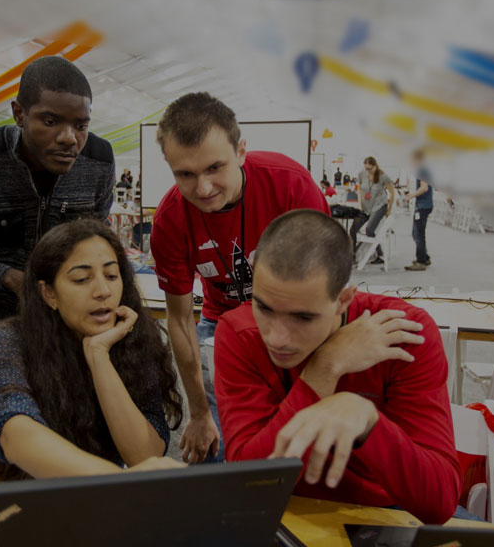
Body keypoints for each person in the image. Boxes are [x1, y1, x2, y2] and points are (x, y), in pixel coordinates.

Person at [214, 210, 459, 524]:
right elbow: (249, 484)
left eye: (303, 318)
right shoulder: (238, 333)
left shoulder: (403, 332)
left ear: (343, 301)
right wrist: (325, 368)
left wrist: (369, 422)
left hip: (384, 514)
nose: (276, 337)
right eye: (263, 307)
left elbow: (439, 503)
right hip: (286, 509)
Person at [150, 92, 329, 464]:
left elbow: (326, 292)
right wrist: (199, 415)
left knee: (304, 445)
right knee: (219, 453)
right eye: (185, 174)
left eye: (215, 167)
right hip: (221, 323)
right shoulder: (170, 220)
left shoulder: (291, 185)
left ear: (241, 152)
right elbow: (181, 320)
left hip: (292, 317)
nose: (202, 189)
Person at [0, 56, 115, 376]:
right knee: (9, 421)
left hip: (71, 321)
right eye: (51, 121)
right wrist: (7, 277)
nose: (69, 138)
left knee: (76, 421)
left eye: (81, 125)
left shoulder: (98, 160)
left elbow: (98, 238)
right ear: (19, 114)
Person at [0, 220, 184, 479]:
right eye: (82, 279)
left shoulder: (135, 339)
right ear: (49, 293)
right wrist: (114, 482)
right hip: (29, 492)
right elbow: (15, 434)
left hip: (101, 497)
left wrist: (98, 356)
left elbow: (144, 456)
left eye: (111, 276)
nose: (103, 291)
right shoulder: (10, 340)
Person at [350, 156, 394, 265]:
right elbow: (359, 189)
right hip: (365, 207)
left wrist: (389, 210)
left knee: (370, 230)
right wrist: (359, 204)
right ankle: (352, 256)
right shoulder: (362, 174)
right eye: (366, 168)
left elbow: (392, 193)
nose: (368, 171)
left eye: (370, 168)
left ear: (375, 166)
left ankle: (380, 255)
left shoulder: (383, 177)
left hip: (379, 206)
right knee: (353, 229)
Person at [406, 149, 434, 271]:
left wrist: (411, 195)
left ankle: (421, 261)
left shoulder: (422, 170)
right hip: (424, 205)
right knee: (418, 233)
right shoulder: (425, 169)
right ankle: (425, 257)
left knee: (418, 234)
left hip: (423, 206)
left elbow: (424, 188)